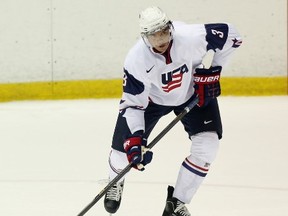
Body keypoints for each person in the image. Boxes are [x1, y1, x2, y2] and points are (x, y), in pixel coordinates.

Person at [104, 6, 242, 216]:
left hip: (193, 93)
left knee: (208, 146)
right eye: (154, 36)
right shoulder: (136, 60)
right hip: (152, 101)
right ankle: (115, 181)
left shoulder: (191, 37)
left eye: (164, 32)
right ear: (144, 37)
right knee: (123, 153)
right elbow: (132, 104)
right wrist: (135, 139)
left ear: (170, 27)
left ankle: (176, 202)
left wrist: (215, 70)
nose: (161, 40)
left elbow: (233, 36)